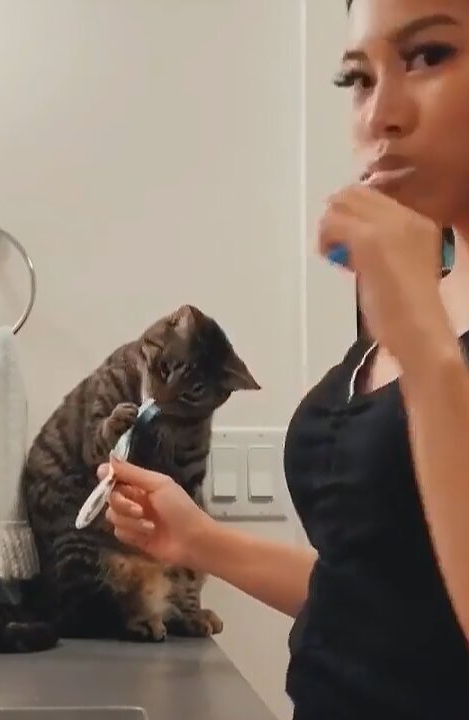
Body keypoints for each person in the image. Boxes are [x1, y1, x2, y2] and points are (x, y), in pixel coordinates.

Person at [101, 1, 469, 717]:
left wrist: (425, 352)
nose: (380, 115)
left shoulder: (417, 322)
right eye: (358, 78)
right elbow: (376, 597)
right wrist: (198, 539)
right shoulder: (409, 304)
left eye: (430, 56)